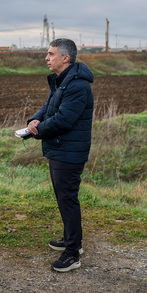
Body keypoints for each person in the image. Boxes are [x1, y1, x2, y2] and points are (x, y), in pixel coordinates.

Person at [27, 38, 94, 273]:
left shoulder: (77, 85)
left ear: (65, 58)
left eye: (51, 54)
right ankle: (70, 239)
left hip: (69, 151)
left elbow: (64, 119)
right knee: (64, 198)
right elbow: (48, 107)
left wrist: (36, 131)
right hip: (60, 148)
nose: (46, 58)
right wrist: (34, 120)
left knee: (68, 199)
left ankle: (73, 253)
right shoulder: (62, 81)